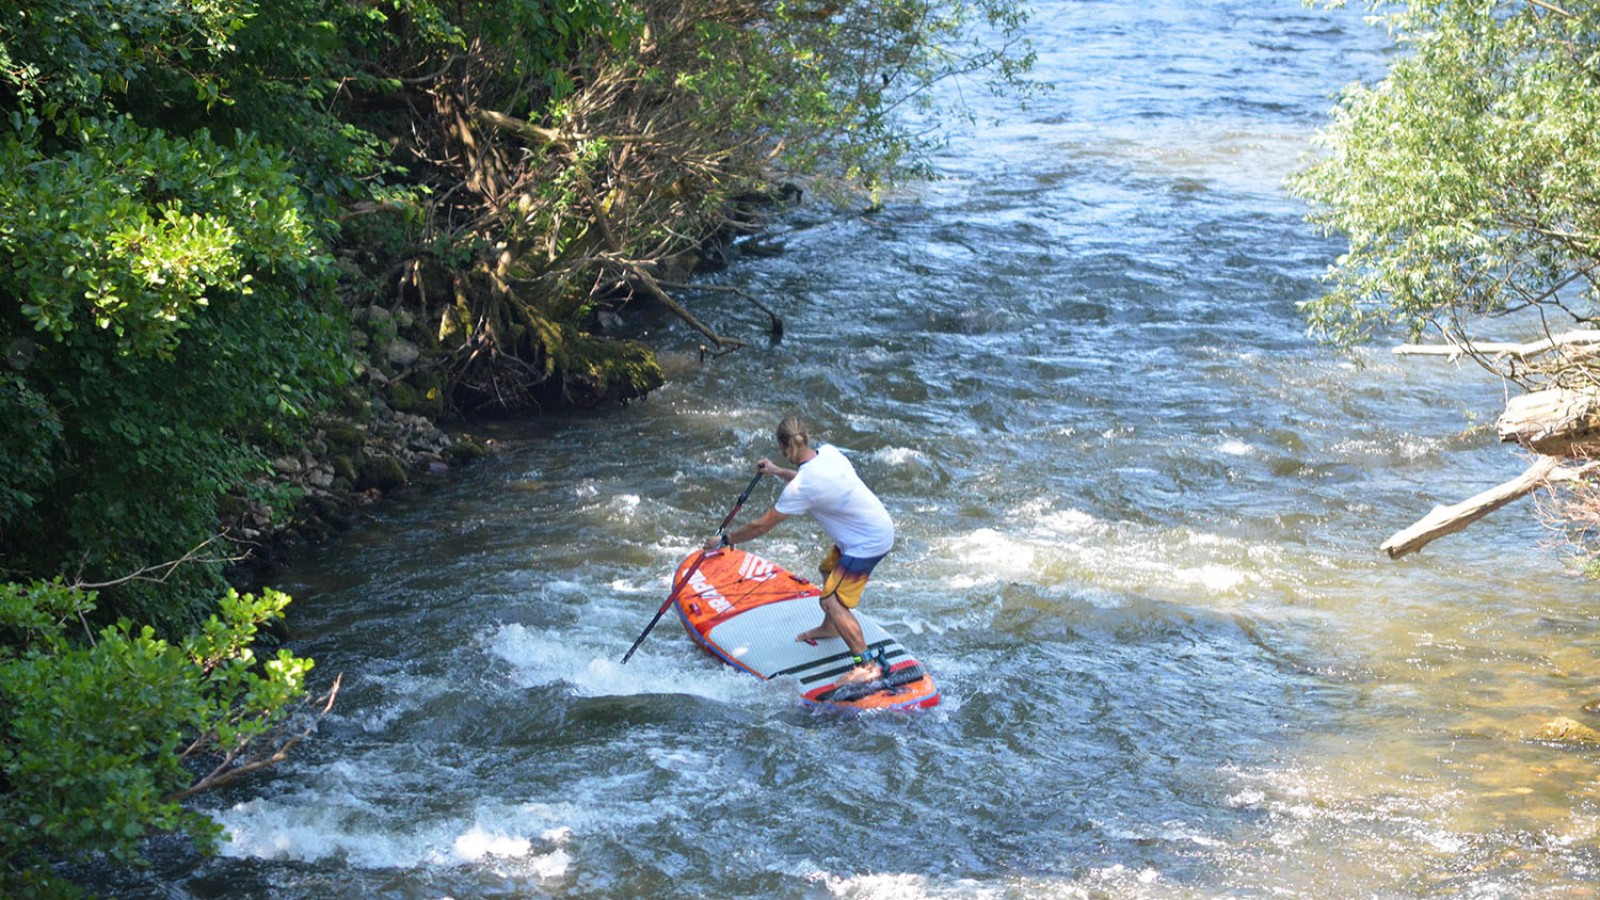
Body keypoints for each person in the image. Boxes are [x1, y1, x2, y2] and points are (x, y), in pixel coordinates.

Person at [704, 415, 895, 685]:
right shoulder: (829, 453)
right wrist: (776, 471)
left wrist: (725, 540)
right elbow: (810, 482)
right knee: (828, 570)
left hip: (866, 542)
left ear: (784, 447)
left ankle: (866, 664)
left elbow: (761, 526)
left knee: (831, 601)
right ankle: (831, 628)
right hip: (874, 529)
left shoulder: (801, 488)